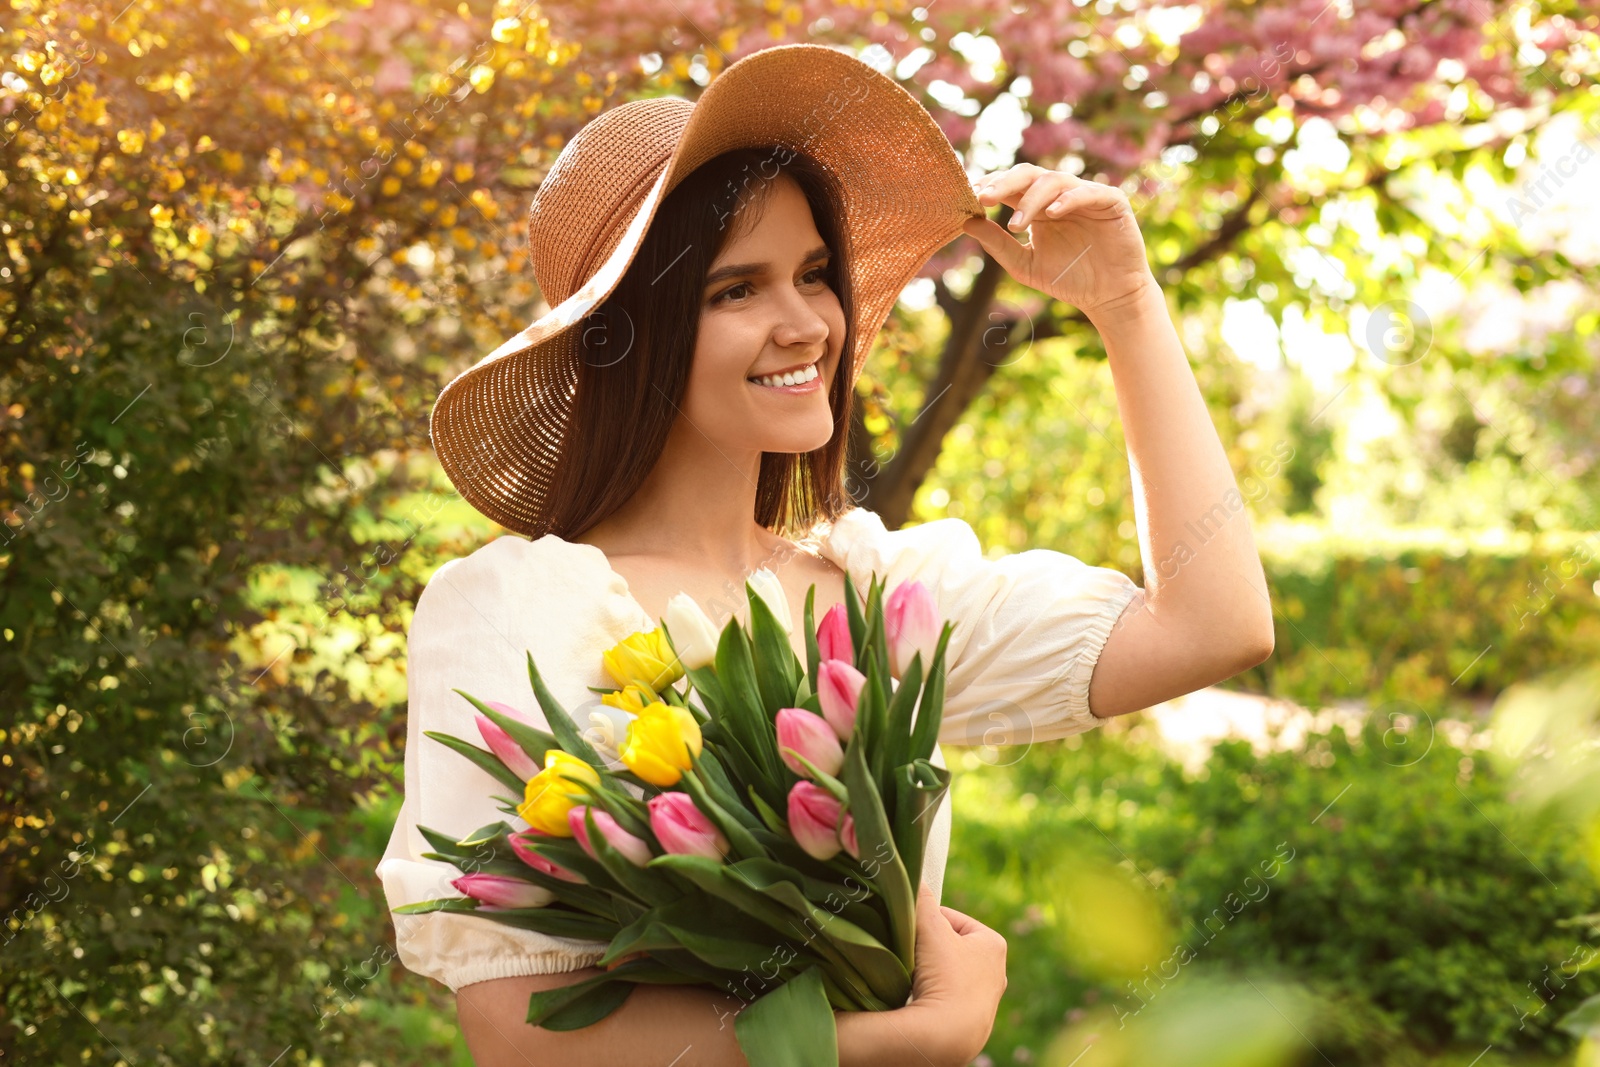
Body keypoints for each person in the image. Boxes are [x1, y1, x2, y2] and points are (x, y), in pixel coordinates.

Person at [378, 43, 1274, 1067]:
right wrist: (920, 1035)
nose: (805, 323)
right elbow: (518, 1032)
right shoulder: (510, 610)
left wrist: (1122, 301)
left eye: (813, 275)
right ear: (632, 336)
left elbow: (1214, 626)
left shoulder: (875, 590)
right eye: (735, 290)